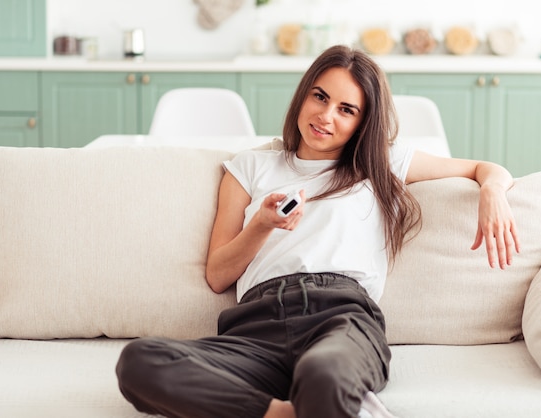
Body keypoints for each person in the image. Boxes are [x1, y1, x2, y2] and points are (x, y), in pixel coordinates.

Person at [115, 45, 520, 418]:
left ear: (363, 122)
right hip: (256, 327)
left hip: (341, 318)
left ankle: (315, 400)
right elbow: (218, 274)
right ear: (304, 95)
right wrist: (261, 225)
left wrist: (493, 191)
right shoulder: (250, 168)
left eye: (347, 109)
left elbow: (487, 168)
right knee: (140, 362)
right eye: (320, 97)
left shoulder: (382, 163)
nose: (326, 116)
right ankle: (285, 413)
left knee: (323, 374)